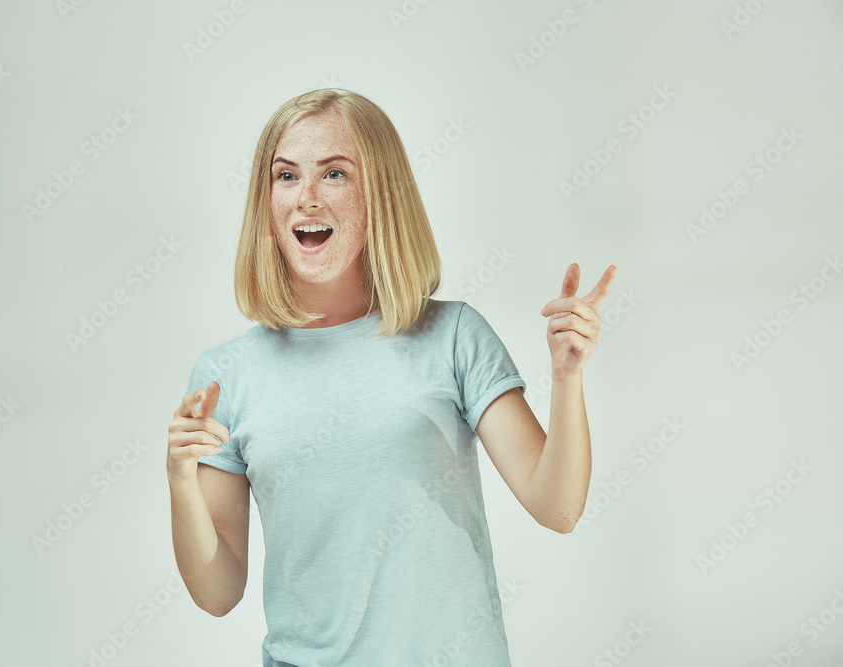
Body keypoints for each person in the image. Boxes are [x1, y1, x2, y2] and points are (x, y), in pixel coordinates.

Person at [167, 88, 616, 666]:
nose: (306, 197)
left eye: (334, 174)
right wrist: (180, 479)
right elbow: (218, 592)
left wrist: (568, 379)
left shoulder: (453, 335)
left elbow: (557, 507)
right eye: (285, 176)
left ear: (379, 194)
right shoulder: (227, 375)